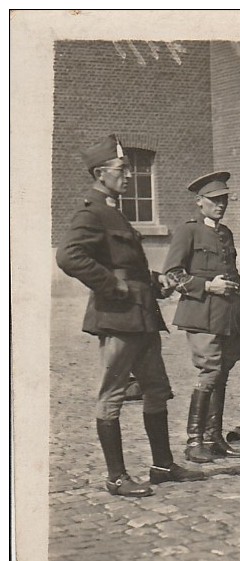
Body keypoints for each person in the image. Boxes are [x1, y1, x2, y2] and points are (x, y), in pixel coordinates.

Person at [55, 134, 204, 496]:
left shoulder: (113, 211)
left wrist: (156, 282)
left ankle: (162, 465)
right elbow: (68, 256)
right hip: (119, 317)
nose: (128, 176)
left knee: (156, 390)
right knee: (113, 394)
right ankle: (116, 477)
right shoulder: (91, 212)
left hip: (141, 315)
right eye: (122, 170)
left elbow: (127, 265)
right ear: (101, 173)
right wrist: (113, 287)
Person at [164, 172, 240, 463]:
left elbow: (231, 269)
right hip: (200, 312)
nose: (220, 205)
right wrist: (206, 285)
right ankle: (194, 441)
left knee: (222, 374)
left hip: (226, 315)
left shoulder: (225, 233)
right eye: (214, 200)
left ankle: (214, 438)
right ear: (199, 203)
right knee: (211, 371)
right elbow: (173, 273)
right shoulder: (187, 231)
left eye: (224, 199)